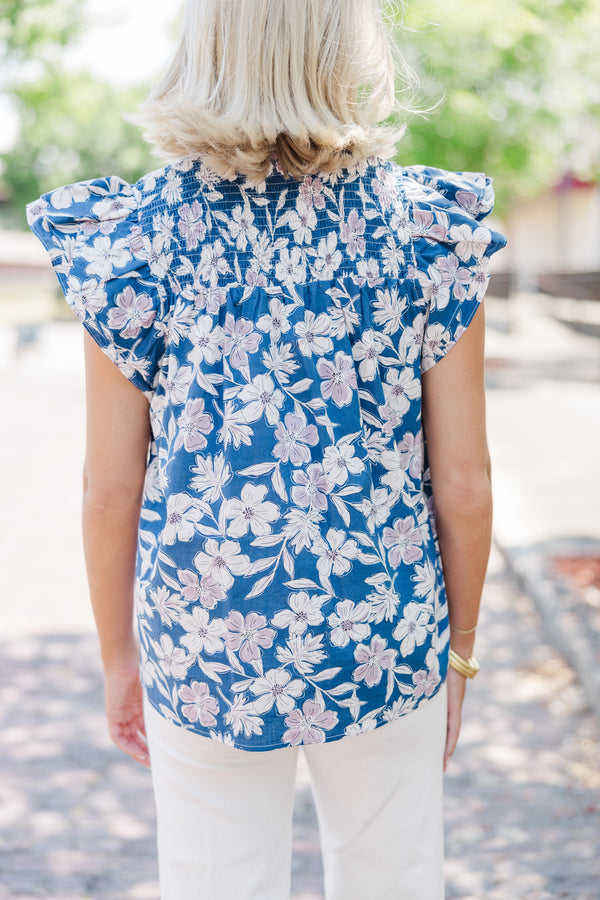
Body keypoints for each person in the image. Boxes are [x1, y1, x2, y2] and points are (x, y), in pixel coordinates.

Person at [27, 1, 506, 897]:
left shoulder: (136, 240)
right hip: (384, 633)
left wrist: (119, 657)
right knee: (391, 879)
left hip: (206, 637)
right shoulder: (425, 231)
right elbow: (467, 484)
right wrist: (459, 654)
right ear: (351, 47)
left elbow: (106, 488)